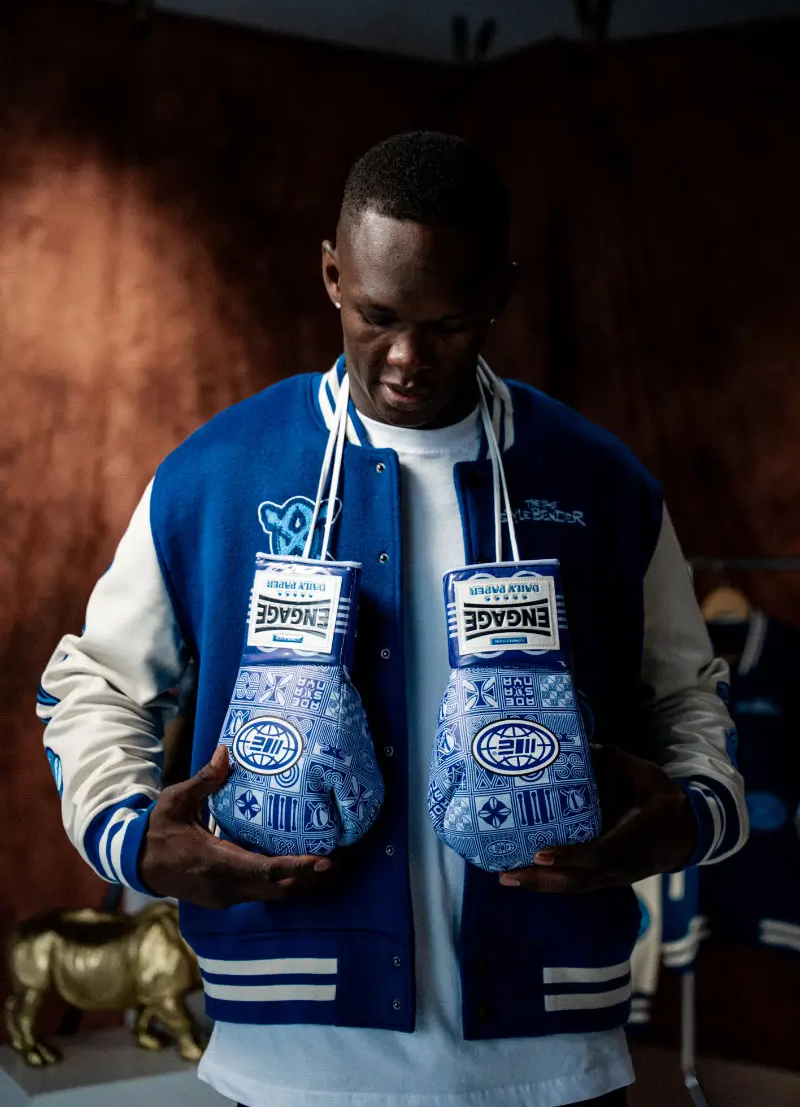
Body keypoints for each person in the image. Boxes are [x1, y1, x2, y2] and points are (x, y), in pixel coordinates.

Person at [38, 132, 747, 1107]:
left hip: (554, 1059)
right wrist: (128, 837)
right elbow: (95, 683)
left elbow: (687, 694)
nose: (407, 357)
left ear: (500, 287)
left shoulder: (598, 482)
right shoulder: (217, 473)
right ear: (331, 273)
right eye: (376, 315)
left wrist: (693, 816)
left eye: (449, 322)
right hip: (290, 1064)